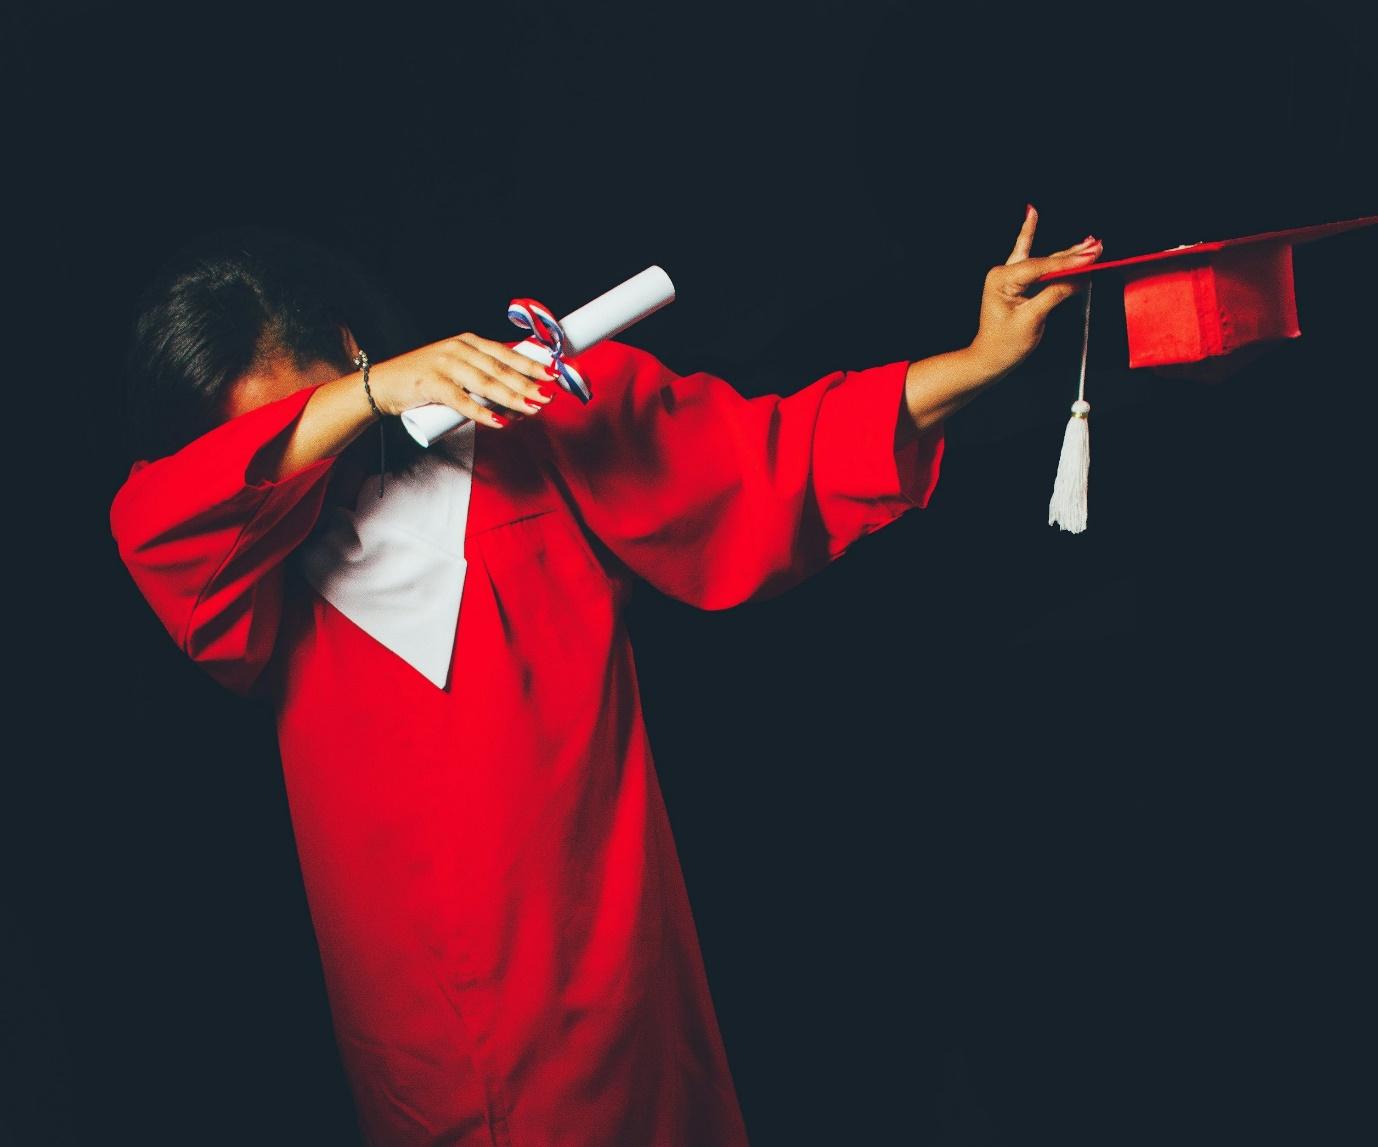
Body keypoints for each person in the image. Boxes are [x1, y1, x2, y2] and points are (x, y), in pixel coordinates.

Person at [109, 209, 1101, 1146]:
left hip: (593, 959)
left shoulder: (527, 430)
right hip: (411, 1018)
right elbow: (159, 517)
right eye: (272, 443)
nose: (300, 463)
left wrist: (977, 363)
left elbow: (768, 455)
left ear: (349, 339)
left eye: (307, 412)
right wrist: (363, 397)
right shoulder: (242, 563)